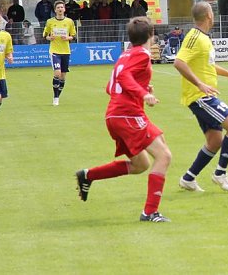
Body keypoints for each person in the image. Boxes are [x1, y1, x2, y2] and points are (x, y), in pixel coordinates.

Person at [74, 16, 173, 223]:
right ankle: (150, 213)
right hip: (128, 115)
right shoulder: (143, 55)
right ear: (151, 35)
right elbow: (124, 78)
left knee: (141, 164)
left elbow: (110, 87)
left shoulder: (125, 54)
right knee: (163, 156)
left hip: (116, 115)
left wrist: (142, 88)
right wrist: (143, 94)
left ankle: (88, 175)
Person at [174, 2, 228, 193]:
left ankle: (188, 178)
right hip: (200, 97)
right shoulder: (194, 37)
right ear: (208, 15)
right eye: (212, 12)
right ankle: (220, 173)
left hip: (204, 94)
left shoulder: (204, 39)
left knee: (215, 141)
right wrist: (199, 84)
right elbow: (179, 62)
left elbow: (207, 66)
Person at [43, 0, 77, 106]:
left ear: (64, 9)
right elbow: (45, 35)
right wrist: (50, 37)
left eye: (62, 7)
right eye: (58, 7)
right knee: (57, 73)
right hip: (54, 51)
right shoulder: (50, 22)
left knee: (63, 77)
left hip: (66, 51)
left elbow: (74, 36)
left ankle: (58, 94)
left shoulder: (69, 22)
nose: (60, 9)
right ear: (55, 10)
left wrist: (68, 37)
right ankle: (55, 97)